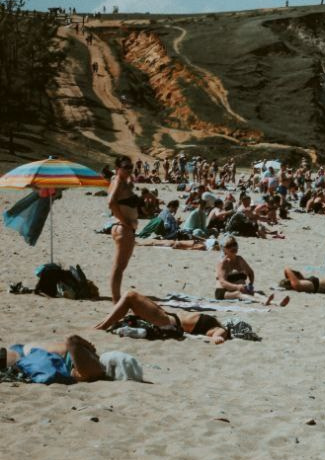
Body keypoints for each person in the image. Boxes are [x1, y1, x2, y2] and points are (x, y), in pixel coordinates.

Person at [94, 290, 232, 343]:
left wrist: (219, 337)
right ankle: (102, 325)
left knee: (131, 296)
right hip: (168, 316)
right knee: (131, 299)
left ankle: (102, 326)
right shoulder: (216, 323)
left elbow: (217, 337)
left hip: (170, 322)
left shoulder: (221, 329)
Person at [0, 334, 130, 383]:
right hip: (27, 355)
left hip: (27, 359)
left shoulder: (94, 369)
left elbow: (72, 340)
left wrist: (87, 345)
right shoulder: (95, 363)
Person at [107, 155, 140, 302]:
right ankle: (116, 300)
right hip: (123, 228)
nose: (129, 170)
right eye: (126, 167)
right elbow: (111, 202)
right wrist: (125, 221)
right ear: (117, 169)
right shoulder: (118, 181)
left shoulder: (122, 181)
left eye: (131, 167)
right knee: (119, 267)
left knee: (121, 266)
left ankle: (116, 298)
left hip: (124, 228)